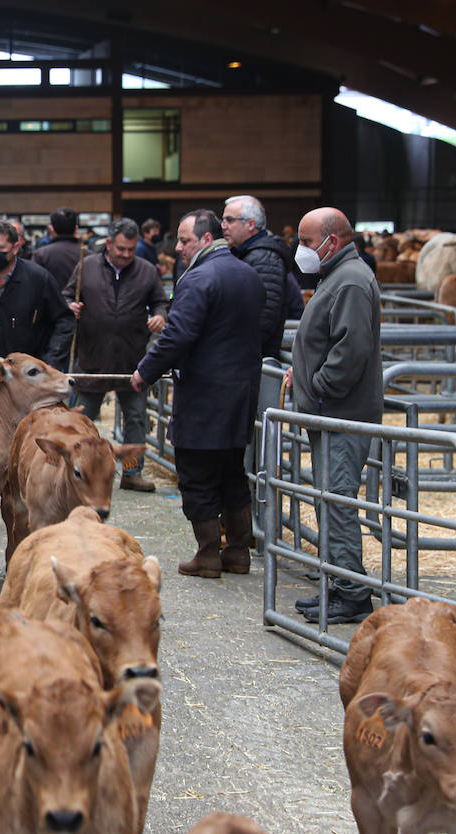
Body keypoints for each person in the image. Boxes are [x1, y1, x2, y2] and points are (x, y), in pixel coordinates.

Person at [132, 209, 264, 578]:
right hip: (241, 392)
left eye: (184, 240)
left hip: (205, 394)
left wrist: (145, 371)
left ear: (206, 239)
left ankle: (207, 554)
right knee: (233, 471)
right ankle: (237, 551)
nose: (177, 248)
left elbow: (177, 335)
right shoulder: (248, 274)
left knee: (197, 473)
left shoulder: (198, 277)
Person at [288, 207, 382, 624]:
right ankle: (339, 580)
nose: (301, 250)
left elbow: (351, 349)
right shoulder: (338, 276)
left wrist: (319, 386)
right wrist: (303, 372)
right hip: (331, 411)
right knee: (329, 498)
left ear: (334, 241)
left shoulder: (351, 281)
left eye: (307, 242)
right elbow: (328, 341)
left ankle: (352, 593)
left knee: (338, 499)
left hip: (341, 412)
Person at [64, 217, 168, 492]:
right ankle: (80, 471)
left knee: (135, 418)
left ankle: (132, 472)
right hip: (92, 356)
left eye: (131, 249)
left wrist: (160, 315)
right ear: (109, 243)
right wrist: (70, 305)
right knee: (82, 420)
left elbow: (161, 301)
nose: (125, 254)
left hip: (131, 360)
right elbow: (66, 295)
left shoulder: (146, 270)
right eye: (121, 248)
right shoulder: (86, 266)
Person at [0, 220, 74, 373]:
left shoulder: (39, 279)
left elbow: (64, 320)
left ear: (15, 248)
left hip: (28, 375)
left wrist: (52, 360)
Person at [222, 195, 303, 361]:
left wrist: (232, 350)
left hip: (251, 358)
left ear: (250, 224)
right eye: (222, 220)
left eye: (229, 220)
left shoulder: (265, 258)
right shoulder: (247, 253)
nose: (223, 226)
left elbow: (264, 317)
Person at [30, 207, 80, 294]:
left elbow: (33, 285)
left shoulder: (40, 255)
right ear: (76, 229)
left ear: (51, 229)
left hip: (48, 302)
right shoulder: (89, 255)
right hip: (79, 303)